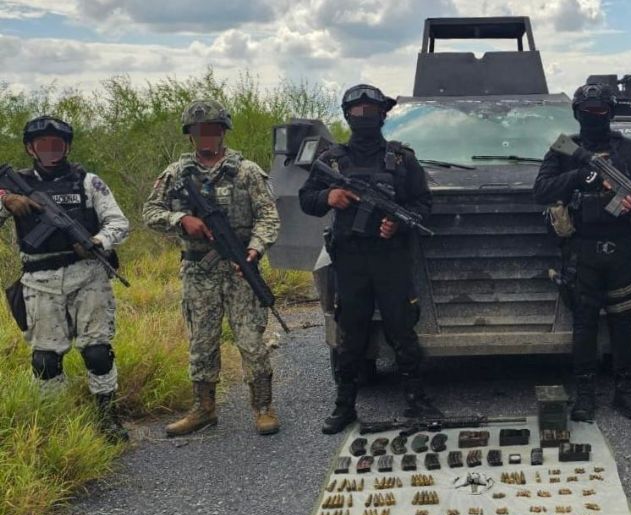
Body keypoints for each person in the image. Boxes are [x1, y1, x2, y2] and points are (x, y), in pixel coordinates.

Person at [299, 84, 442, 435]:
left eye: (372, 111)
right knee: (351, 334)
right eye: (358, 111)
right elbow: (306, 199)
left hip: (390, 258)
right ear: (347, 115)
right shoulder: (332, 160)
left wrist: (399, 223)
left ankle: (417, 400)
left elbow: (423, 204)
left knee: (402, 330)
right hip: (350, 260)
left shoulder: (401, 159)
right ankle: (344, 405)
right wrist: (330, 196)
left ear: (383, 115)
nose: (365, 117)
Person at [143, 100, 282, 436]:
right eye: (199, 131)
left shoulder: (246, 171)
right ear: (190, 135)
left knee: (251, 340)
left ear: (223, 132)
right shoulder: (176, 174)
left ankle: (263, 407)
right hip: (198, 271)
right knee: (202, 342)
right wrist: (181, 219)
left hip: (240, 268)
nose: (206, 137)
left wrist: (255, 248)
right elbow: (150, 213)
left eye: (212, 130)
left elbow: (268, 216)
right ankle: (203, 409)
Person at [534, 83, 631, 422]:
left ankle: (625, 391)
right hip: (582, 249)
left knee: (623, 321)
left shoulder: (629, 150)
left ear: (611, 113)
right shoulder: (565, 150)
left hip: (623, 248)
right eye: (588, 111)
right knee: (585, 323)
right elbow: (541, 190)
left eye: (601, 111)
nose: (595, 117)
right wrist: (582, 176)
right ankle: (585, 395)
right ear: (577, 113)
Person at [0, 115, 130, 441]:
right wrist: (5, 200)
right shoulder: (15, 185)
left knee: (97, 351)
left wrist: (97, 241)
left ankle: (107, 417)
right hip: (39, 279)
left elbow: (118, 223)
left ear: (67, 147)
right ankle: (55, 423)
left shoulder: (88, 182)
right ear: (30, 149)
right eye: (42, 144)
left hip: (87, 275)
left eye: (56, 145)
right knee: (45, 359)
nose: (50, 150)